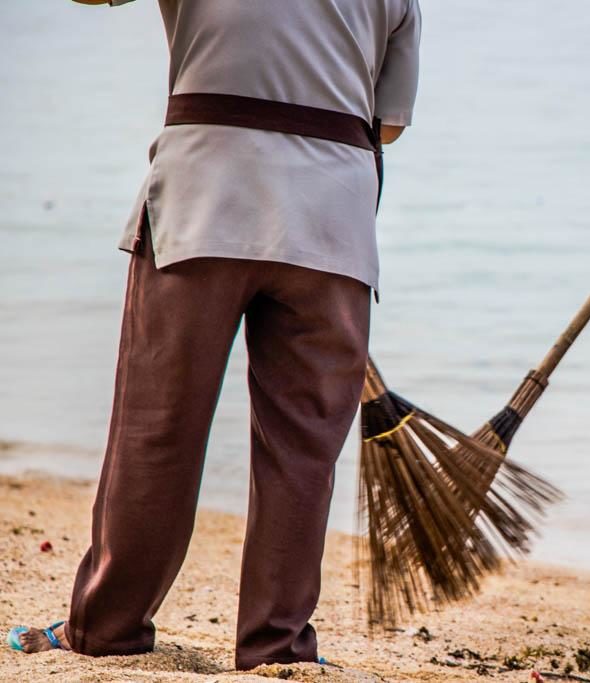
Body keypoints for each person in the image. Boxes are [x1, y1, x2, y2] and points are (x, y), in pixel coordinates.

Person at [9, 0, 421, 671]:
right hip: (332, 224)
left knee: (157, 431)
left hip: (204, 201)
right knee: (302, 455)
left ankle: (107, 628)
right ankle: (275, 647)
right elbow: (389, 126)